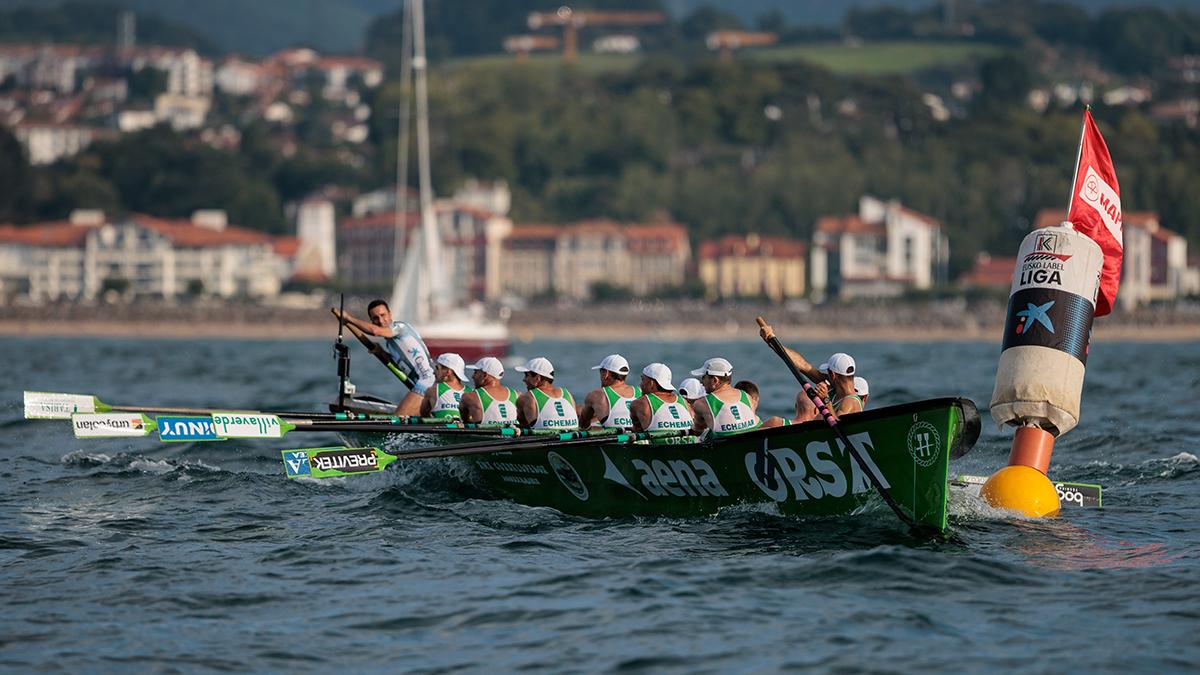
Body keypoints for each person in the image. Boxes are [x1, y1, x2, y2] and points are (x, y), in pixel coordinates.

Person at [335, 299, 434, 416]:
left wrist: (348, 318)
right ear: (371, 320)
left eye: (383, 315)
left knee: (398, 418)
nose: (381, 321)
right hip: (424, 386)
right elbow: (398, 365)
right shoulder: (391, 344)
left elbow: (375, 331)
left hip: (427, 381)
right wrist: (382, 353)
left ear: (390, 314)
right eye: (376, 318)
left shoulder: (400, 327)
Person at [758, 321, 862, 419]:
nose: (826, 376)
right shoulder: (835, 386)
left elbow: (838, 425)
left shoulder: (850, 402)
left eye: (828, 373)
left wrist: (826, 400)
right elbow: (804, 366)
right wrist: (771, 340)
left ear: (833, 375)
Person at [690, 357, 760, 437]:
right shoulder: (747, 396)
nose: (701, 382)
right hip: (752, 440)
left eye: (703, 377)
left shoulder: (701, 404)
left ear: (715, 380)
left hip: (725, 445)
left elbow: (697, 431)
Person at [578, 354, 641, 429]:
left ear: (606, 374)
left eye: (601, 371)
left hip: (615, 439)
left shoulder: (596, 395)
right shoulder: (640, 391)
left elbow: (583, 425)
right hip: (641, 439)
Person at [515, 357, 579, 430]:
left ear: (537, 378)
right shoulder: (567, 393)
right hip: (571, 438)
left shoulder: (527, 397)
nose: (524, 379)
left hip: (546, 440)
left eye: (526, 375)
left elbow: (520, 424)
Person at [631, 363, 693, 433]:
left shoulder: (640, 403)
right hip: (690, 443)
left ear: (651, 383)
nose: (640, 384)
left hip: (658, 443)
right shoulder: (684, 402)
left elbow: (637, 430)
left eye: (643, 380)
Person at [458, 356, 519, 425]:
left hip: (483, 435)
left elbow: (465, 423)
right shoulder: (517, 395)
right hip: (513, 435)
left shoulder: (469, 397)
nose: (473, 376)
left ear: (485, 375)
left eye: (475, 372)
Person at [420, 353, 468, 419]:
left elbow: (424, 415)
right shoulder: (471, 393)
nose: (433, 372)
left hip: (440, 428)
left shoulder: (433, 390)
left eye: (437, 368)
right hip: (464, 429)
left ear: (448, 372)